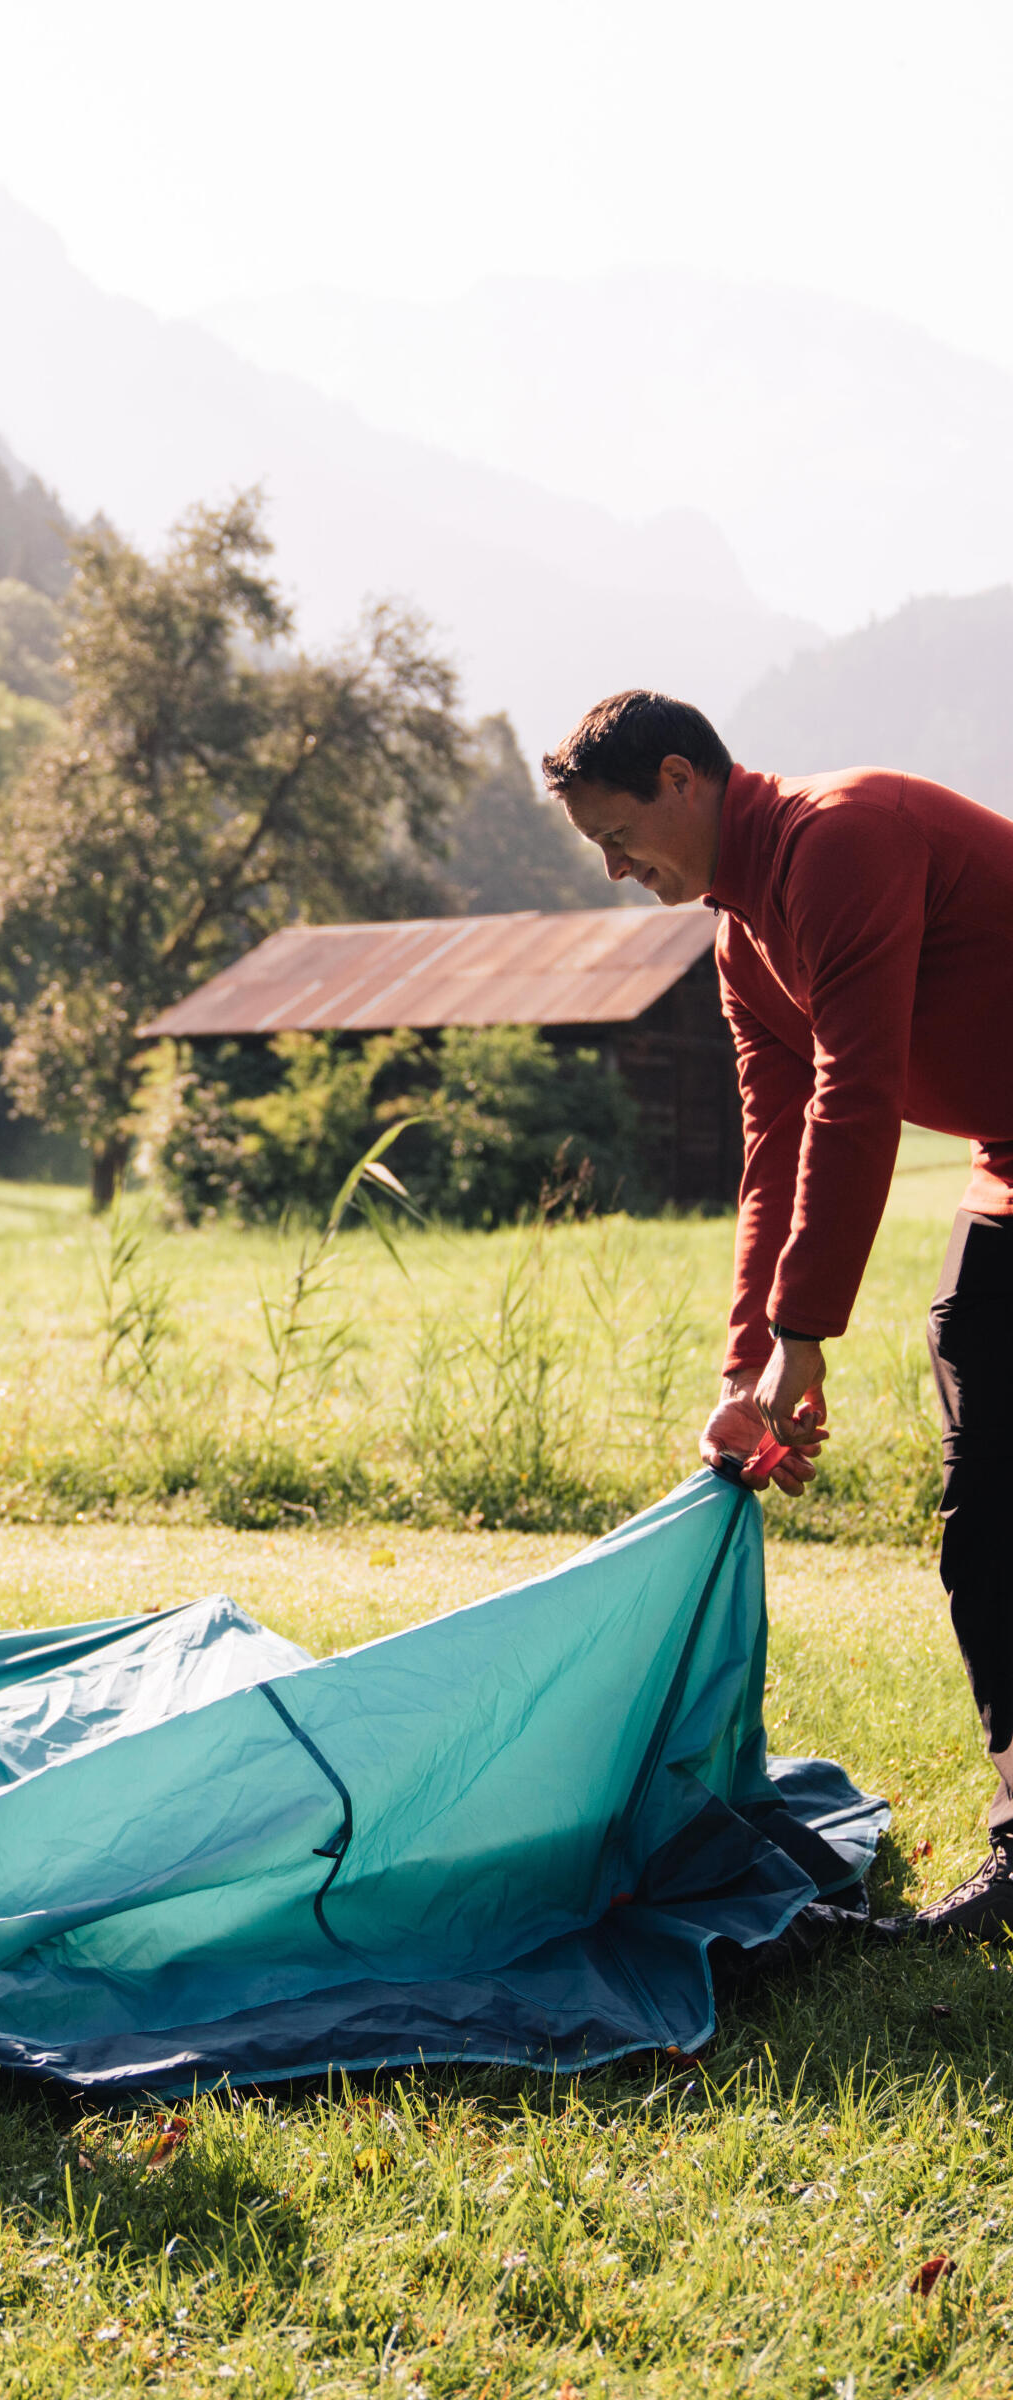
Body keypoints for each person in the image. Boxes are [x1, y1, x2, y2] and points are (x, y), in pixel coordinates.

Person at [541, 689, 1013, 1937]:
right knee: (988, 1512)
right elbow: (777, 1142)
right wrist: (749, 1366)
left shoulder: (839, 840)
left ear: (684, 779)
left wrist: (807, 1338)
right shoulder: (743, 939)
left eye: (619, 835)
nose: (615, 867)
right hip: (1009, 1163)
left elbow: (856, 1095)